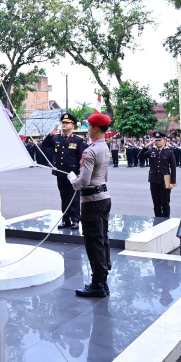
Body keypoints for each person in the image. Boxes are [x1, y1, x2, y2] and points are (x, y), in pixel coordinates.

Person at [69, 113, 112, 298]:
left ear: (95, 128)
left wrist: (72, 179)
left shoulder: (91, 150)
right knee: (102, 239)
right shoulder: (105, 147)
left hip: (91, 201)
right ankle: (102, 281)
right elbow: (105, 176)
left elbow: (83, 182)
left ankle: (97, 285)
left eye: (89, 126)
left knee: (93, 242)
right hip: (103, 198)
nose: (88, 130)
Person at [42, 113, 86, 229]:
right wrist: (50, 135)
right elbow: (44, 146)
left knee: (74, 197)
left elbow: (82, 158)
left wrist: (79, 173)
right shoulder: (56, 138)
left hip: (73, 174)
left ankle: (75, 219)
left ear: (72, 125)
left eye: (67, 123)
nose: (64, 125)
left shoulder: (77, 140)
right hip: (61, 173)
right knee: (64, 196)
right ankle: (65, 219)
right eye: (63, 123)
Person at [138, 132, 177, 218]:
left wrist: (172, 182)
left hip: (165, 181)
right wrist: (147, 145)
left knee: (165, 203)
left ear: (164, 140)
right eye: (156, 140)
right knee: (156, 203)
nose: (157, 142)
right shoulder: (151, 151)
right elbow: (139, 156)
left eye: (159, 140)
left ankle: (166, 220)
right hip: (154, 180)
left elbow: (173, 168)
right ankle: (158, 221)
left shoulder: (169, 152)